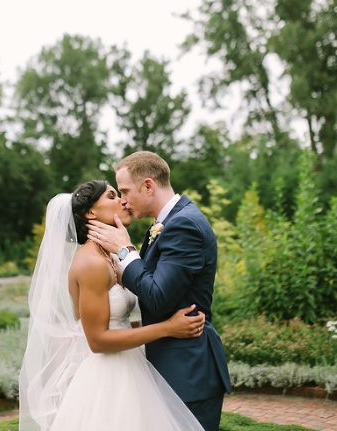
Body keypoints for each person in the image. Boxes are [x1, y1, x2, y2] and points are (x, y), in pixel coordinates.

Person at [18, 180, 207, 431]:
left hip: (131, 366)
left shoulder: (109, 258)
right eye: (112, 196)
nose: (122, 201)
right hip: (109, 378)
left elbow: (119, 318)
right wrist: (168, 328)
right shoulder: (91, 263)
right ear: (91, 213)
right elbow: (98, 341)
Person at [88, 151, 232, 431]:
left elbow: (158, 295)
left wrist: (126, 251)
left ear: (148, 186)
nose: (123, 200)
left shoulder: (183, 224)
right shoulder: (163, 224)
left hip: (188, 369)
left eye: (126, 191)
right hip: (169, 364)